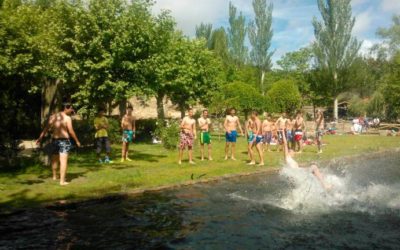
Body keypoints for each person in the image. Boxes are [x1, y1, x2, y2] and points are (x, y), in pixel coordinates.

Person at [36, 103, 81, 186]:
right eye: (71, 108)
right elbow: (71, 131)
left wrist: (40, 138)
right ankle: (62, 181)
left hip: (55, 140)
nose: (72, 110)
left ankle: (54, 176)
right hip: (64, 141)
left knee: (54, 160)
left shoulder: (53, 117)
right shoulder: (67, 118)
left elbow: (46, 128)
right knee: (63, 161)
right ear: (65, 108)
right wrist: (77, 141)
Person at [282, 122, 331, 190]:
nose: (294, 153)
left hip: (299, 172)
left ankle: (324, 184)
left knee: (315, 167)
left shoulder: (291, 160)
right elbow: (285, 144)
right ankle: (324, 185)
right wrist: (282, 132)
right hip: (298, 173)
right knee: (314, 167)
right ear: (289, 152)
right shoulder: (287, 157)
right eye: (293, 151)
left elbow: (298, 167)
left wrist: (307, 165)